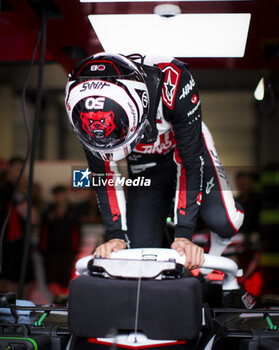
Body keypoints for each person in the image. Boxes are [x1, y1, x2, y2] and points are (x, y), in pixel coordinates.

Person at [65, 53, 244, 270]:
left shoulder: (175, 83)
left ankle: (213, 256)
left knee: (224, 220)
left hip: (186, 147)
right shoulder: (85, 110)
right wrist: (115, 235)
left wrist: (184, 233)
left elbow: (190, 163)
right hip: (146, 165)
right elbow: (104, 175)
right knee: (137, 252)